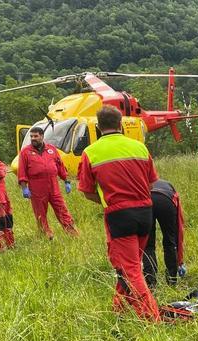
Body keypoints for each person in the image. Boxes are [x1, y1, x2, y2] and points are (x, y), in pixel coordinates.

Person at [77, 105, 160, 321]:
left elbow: (87, 192)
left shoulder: (91, 152)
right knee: (128, 264)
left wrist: (107, 202)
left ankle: (151, 318)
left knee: (130, 267)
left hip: (118, 216)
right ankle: (119, 307)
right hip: (146, 213)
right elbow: (153, 182)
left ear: (97, 126)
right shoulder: (139, 147)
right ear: (120, 124)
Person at [17, 126, 79, 239]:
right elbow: (22, 171)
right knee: (40, 213)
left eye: (35, 136)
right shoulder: (25, 152)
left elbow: (60, 166)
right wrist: (24, 187)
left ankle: (72, 233)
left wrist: (66, 181)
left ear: (42, 136)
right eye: (31, 136)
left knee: (62, 210)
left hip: (53, 185)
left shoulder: (51, 149)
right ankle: (47, 235)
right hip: (37, 187)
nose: (33, 138)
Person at [142, 179, 186, 289]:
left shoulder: (143, 184)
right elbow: (179, 227)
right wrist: (180, 260)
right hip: (166, 200)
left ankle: (150, 283)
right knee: (170, 242)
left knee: (148, 245)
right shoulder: (169, 186)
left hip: (146, 199)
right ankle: (172, 280)